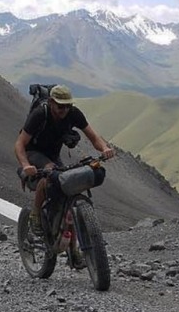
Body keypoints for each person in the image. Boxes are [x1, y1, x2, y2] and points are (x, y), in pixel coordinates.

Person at [14, 84, 115, 235]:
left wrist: (104, 148)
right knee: (49, 172)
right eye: (61, 106)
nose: (65, 109)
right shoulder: (40, 114)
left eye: (68, 105)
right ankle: (35, 214)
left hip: (54, 155)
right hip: (33, 152)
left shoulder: (74, 114)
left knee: (62, 183)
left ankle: (65, 237)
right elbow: (20, 144)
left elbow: (93, 137)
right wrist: (25, 165)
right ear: (51, 102)